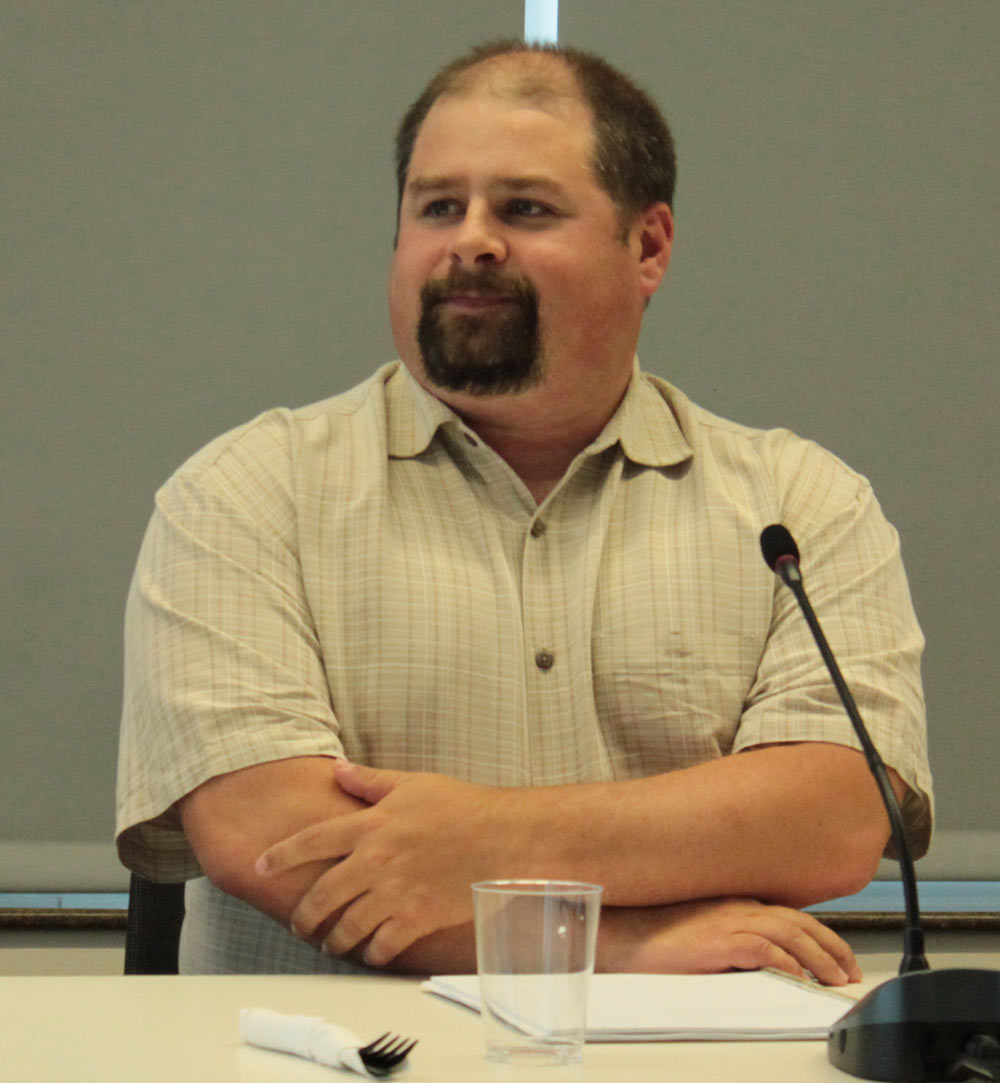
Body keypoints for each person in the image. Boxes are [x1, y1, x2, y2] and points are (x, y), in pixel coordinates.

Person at [116, 40, 932, 983]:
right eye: (437, 207)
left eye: (525, 209)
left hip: (691, 1053)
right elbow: (274, 841)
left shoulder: (800, 506)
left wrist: (479, 841)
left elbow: (833, 816)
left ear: (648, 247)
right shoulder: (246, 494)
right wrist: (621, 946)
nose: (471, 241)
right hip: (340, 1050)